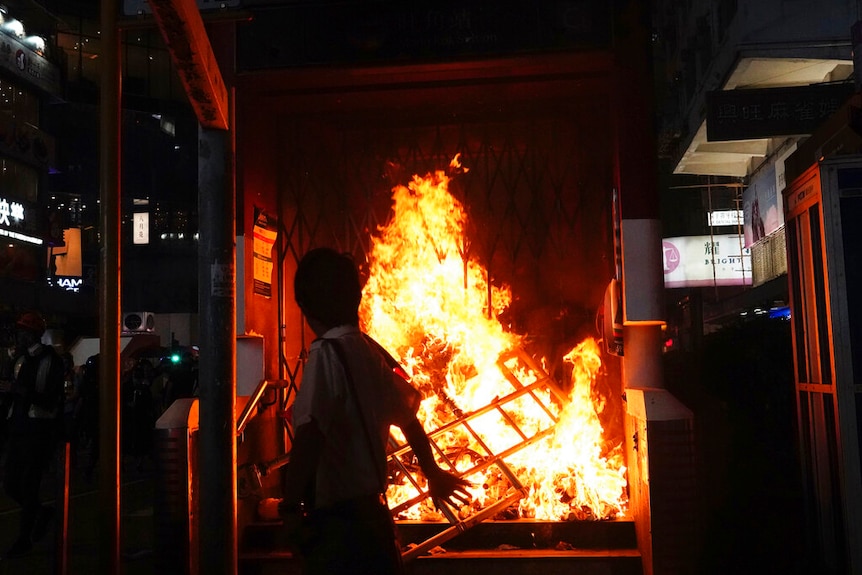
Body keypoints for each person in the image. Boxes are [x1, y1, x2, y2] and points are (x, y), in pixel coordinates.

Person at [274, 247, 471, 575]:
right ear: (358, 298)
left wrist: (291, 507)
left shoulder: (325, 355)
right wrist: (432, 472)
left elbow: (309, 435)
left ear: (306, 307)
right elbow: (410, 420)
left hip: (339, 530)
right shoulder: (370, 352)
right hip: (377, 524)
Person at [0, 311, 65, 559]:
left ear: (33, 334)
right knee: (11, 484)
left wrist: (17, 390)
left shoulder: (50, 361)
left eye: (23, 331)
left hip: (38, 432)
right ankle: (40, 513)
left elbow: (49, 401)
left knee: (28, 485)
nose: (19, 335)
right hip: (19, 429)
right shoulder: (20, 359)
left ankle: (24, 537)